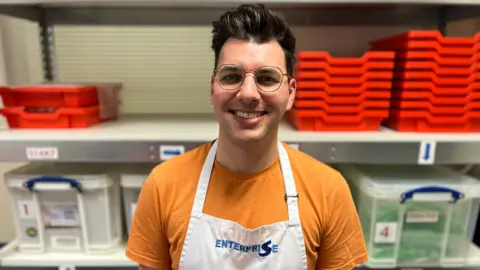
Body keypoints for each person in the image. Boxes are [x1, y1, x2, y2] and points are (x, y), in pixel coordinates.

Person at [126, 4, 368, 270]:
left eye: (266, 78)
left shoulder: (328, 191)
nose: (248, 94)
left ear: (291, 93)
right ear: (212, 88)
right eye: (231, 76)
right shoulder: (163, 185)